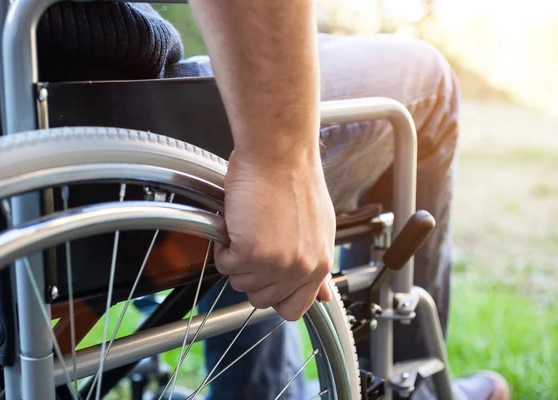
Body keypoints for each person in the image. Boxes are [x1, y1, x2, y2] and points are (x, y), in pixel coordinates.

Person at [38, 2, 510, 399]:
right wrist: (280, 161)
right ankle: (411, 388)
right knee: (429, 82)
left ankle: (264, 386)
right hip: (112, 119)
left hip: (9, 161)